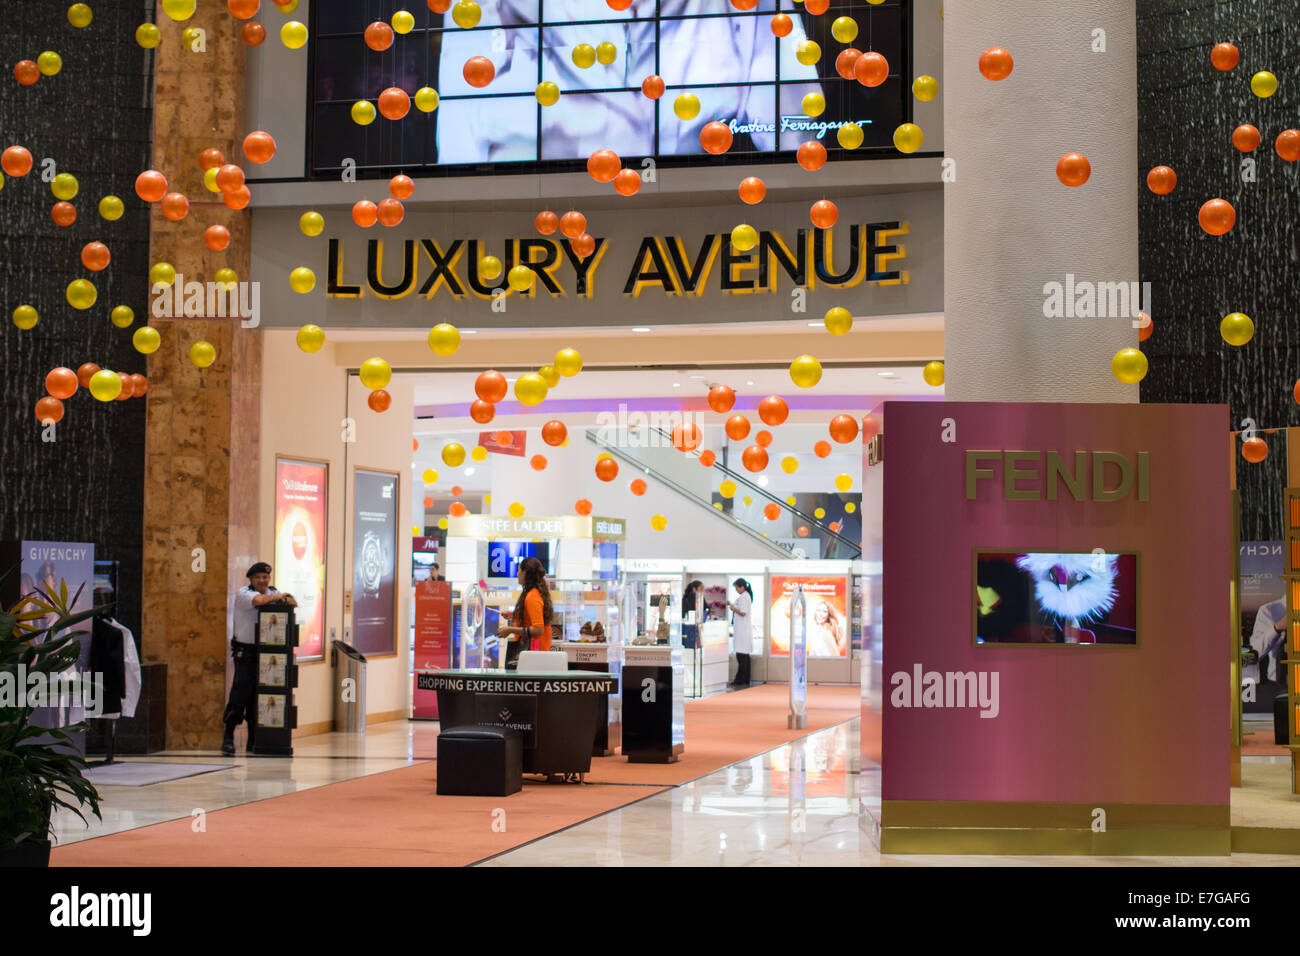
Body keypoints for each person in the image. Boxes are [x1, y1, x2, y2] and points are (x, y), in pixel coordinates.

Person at [223, 562, 297, 756]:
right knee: (240, 695)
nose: (262, 581)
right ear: (251, 579)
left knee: (259, 698)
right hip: (246, 653)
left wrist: (283, 598)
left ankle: (254, 740)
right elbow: (258, 601)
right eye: (258, 578)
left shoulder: (273, 591)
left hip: (269, 652)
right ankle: (228, 738)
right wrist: (278, 597)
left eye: (265, 578)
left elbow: (291, 602)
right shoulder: (244, 594)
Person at [498, 556, 553, 669]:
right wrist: (515, 615)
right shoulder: (536, 593)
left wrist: (510, 630)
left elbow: (538, 629)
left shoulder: (531, 597)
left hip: (533, 655)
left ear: (525, 573)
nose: (517, 574)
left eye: (518, 570)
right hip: (537, 654)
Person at [728, 578, 754, 687]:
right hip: (742, 631)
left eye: (737, 588)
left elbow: (743, 612)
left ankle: (741, 680)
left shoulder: (744, 597)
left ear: (741, 587)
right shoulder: (745, 596)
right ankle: (743, 679)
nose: (736, 590)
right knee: (744, 657)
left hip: (742, 632)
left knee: (742, 657)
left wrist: (733, 608)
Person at [681, 580, 703, 650]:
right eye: (701, 588)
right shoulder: (698, 598)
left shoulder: (684, 598)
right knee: (694, 646)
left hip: (686, 625)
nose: (702, 590)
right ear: (694, 589)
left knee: (688, 646)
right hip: (693, 625)